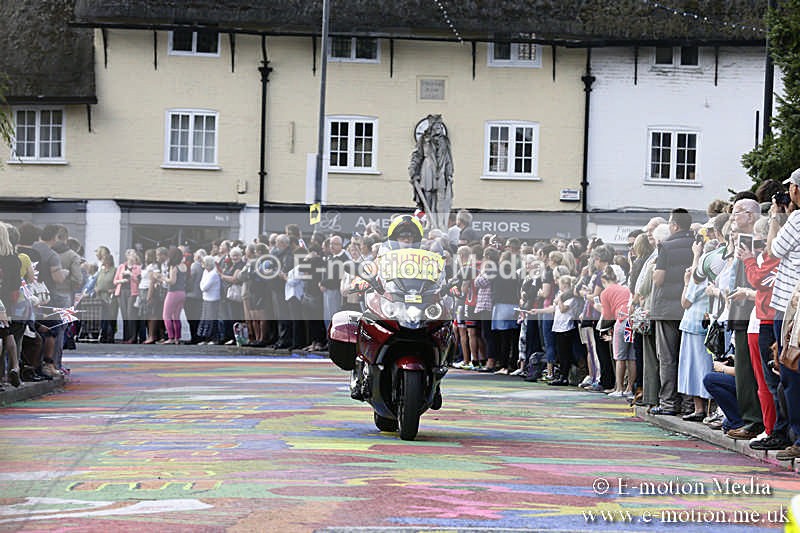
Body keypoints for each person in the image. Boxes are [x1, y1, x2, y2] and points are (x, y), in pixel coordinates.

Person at [408, 114, 454, 230]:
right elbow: (417, 156)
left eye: (440, 125)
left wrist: (449, 173)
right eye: (436, 125)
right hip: (427, 170)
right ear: (432, 126)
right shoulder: (424, 140)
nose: (439, 128)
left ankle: (440, 224)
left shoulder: (445, 141)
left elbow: (448, 158)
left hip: (441, 171)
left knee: (441, 200)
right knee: (427, 197)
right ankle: (430, 222)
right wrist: (413, 172)